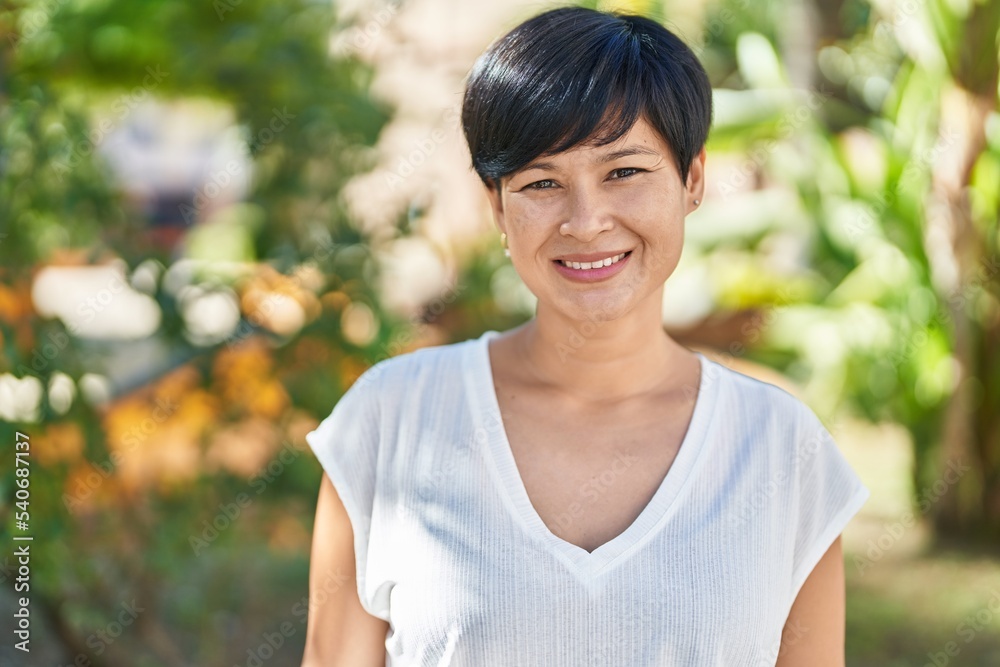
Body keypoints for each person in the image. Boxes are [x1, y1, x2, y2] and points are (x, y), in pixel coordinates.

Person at [301, 6, 869, 666]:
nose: (586, 221)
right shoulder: (387, 421)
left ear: (692, 179)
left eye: (623, 171)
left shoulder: (781, 452)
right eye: (542, 183)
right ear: (497, 208)